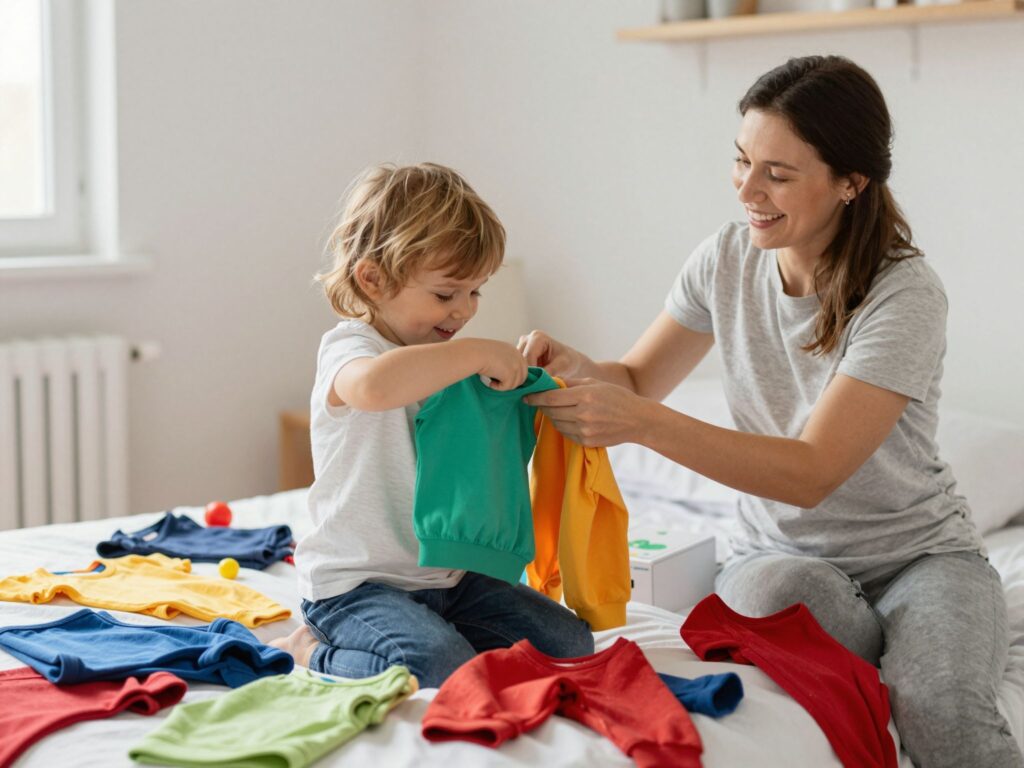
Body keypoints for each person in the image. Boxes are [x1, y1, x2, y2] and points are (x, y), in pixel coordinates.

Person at [519, 56, 1023, 768]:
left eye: (778, 175)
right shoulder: (724, 260)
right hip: (778, 556)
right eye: (741, 161)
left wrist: (639, 425)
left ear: (851, 183)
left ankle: (917, 641)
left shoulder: (903, 296)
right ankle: (891, 642)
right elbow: (635, 378)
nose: (748, 191)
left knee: (941, 710)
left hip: (919, 557)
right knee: (772, 596)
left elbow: (812, 471)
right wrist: (571, 366)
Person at [272, 162, 593, 688]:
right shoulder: (351, 350)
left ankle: (435, 630)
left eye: (476, 292)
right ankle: (311, 650)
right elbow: (375, 388)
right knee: (439, 668)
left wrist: (526, 386)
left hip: (452, 577)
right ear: (372, 279)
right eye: (447, 294)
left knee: (570, 645)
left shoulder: (444, 357)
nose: (464, 311)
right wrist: (472, 355)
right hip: (356, 585)